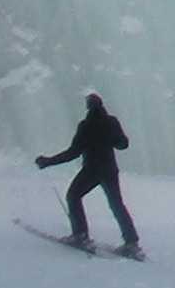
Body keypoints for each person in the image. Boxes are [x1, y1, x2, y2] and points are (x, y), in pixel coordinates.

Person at [38, 94, 140, 253]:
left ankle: (80, 235)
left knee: (73, 196)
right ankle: (131, 242)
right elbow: (123, 144)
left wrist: (48, 161)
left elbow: (73, 153)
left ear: (88, 107)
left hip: (92, 170)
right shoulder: (112, 122)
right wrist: (113, 139)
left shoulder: (85, 125)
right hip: (110, 170)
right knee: (116, 204)